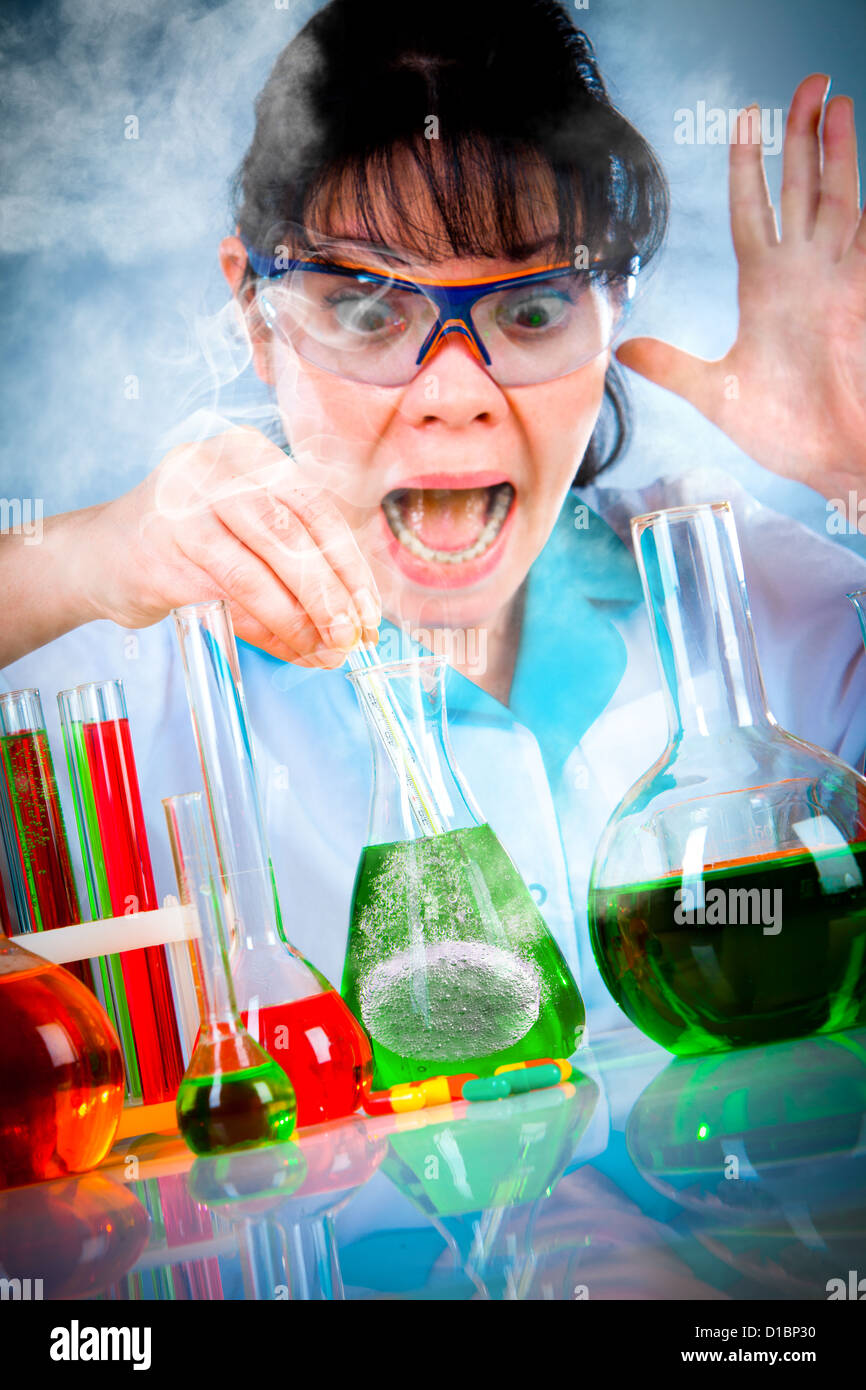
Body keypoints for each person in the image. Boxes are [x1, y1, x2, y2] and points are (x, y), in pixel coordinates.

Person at [2, 0, 865, 1038]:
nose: (453, 390)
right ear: (258, 318)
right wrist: (71, 563)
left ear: (612, 314)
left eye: (532, 305)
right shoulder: (121, 682)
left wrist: (852, 464)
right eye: (368, 309)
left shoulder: (769, 607)